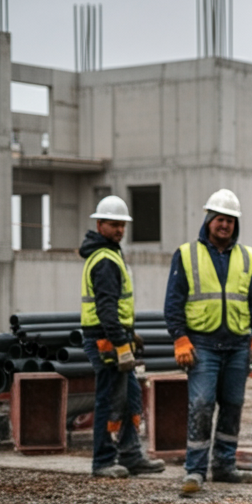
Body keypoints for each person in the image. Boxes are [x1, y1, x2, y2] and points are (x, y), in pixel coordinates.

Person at [164, 189, 252, 496]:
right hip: (202, 345)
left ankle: (224, 466)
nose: (225, 225)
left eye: (230, 221)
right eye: (220, 219)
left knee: (233, 406)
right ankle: (195, 470)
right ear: (209, 220)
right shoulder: (186, 255)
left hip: (237, 345)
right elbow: (173, 302)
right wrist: (180, 338)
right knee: (201, 404)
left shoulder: (246, 257)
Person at [78, 196, 167, 479]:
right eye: (113, 225)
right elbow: (106, 309)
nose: (119, 230)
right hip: (106, 341)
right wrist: (121, 345)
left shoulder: (109, 254)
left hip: (114, 337)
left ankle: (130, 455)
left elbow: (114, 305)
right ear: (99, 224)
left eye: (121, 225)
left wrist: (130, 335)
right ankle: (103, 461)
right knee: (109, 400)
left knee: (130, 397)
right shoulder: (105, 260)